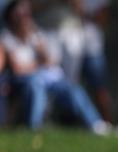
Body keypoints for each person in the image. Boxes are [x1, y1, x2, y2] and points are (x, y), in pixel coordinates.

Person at [1, 0, 108, 133]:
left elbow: (50, 61)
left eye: (26, 15)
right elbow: (17, 68)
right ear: (11, 17)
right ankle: (33, 128)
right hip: (25, 80)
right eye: (20, 15)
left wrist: (38, 46)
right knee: (35, 86)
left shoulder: (35, 35)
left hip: (47, 77)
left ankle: (96, 125)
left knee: (72, 89)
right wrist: (37, 65)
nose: (24, 19)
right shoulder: (7, 38)